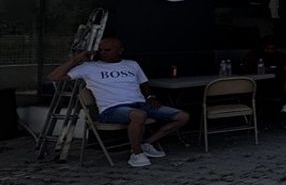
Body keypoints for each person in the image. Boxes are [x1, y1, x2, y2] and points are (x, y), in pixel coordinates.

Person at [47, 37, 190, 168]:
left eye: (107, 50)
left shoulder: (132, 64)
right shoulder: (89, 67)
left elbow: (144, 83)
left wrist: (150, 96)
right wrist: (76, 60)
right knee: (139, 115)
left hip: (140, 104)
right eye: (101, 50)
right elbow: (53, 77)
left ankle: (147, 143)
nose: (103, 53)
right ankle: (136, 154)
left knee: (182, 116)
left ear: (120, 50)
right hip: (111, 109)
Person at [241, 38, 286, 131]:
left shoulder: (280, 56)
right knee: (273, 90)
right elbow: (246, 68)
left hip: (276, 84)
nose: (270, 51)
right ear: (263, 48)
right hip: (261, 84)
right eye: (267, 48)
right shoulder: (255, 55)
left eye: (272, 48)